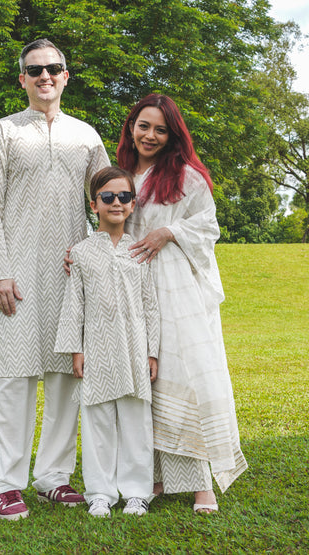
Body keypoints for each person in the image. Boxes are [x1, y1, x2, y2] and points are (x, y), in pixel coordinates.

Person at [0, 38, 110, 521]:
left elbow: (110, 198)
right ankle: (7, 483)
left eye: (53, 68)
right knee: (14, 381)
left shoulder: (85, 136)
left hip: (69, 276)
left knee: (65, 379)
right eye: (35, 70)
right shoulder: (3, 132)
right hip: (17, 277)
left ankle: (53, 477)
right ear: (23, 80)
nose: (45, 76)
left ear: (66, 75)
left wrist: (98, 258)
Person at [115, 93, 248, 513]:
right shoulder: (122, 175)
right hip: (132, 285)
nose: (150, 135)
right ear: (131, 127)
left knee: (184, 376)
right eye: (144, 126)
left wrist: (168, 232)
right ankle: (154, 476)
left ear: (172, 135)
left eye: (160, 129)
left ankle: (201, 484)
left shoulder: (186, 176)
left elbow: (208, 226)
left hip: (175, 288)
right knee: (146, 380)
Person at [55, 166, 160, 518]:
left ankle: (137, 492)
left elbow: (150, 304)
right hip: (97, 349)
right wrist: (77, 349)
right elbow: (74, 303)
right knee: (96, 422)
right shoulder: (81, 253)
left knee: (136, 423)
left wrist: (152, 351)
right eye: (108, 196)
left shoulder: (140, 250)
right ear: (94, 204)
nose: (116, 202)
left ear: (133, 203)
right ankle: (100, 492)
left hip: (134, 348)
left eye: (124, 196)